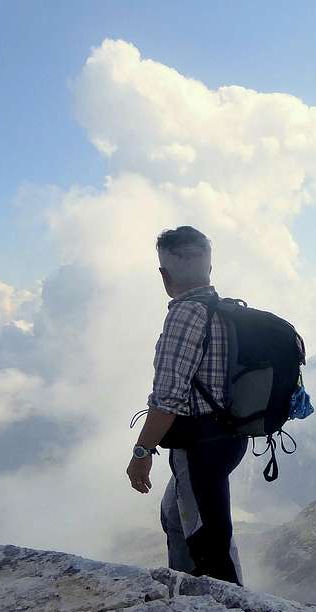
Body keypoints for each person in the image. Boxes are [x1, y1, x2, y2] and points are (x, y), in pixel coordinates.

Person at [126, 226, 247, 585]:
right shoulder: (225, 311)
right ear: (209, 269)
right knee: (175, 514)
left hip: (201, 445)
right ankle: (186, 588)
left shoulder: (184, 316)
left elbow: (167, 401)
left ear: (164, 275)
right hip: (230, 437)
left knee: (208, 538)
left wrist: (141, 451)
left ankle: (230, 608)